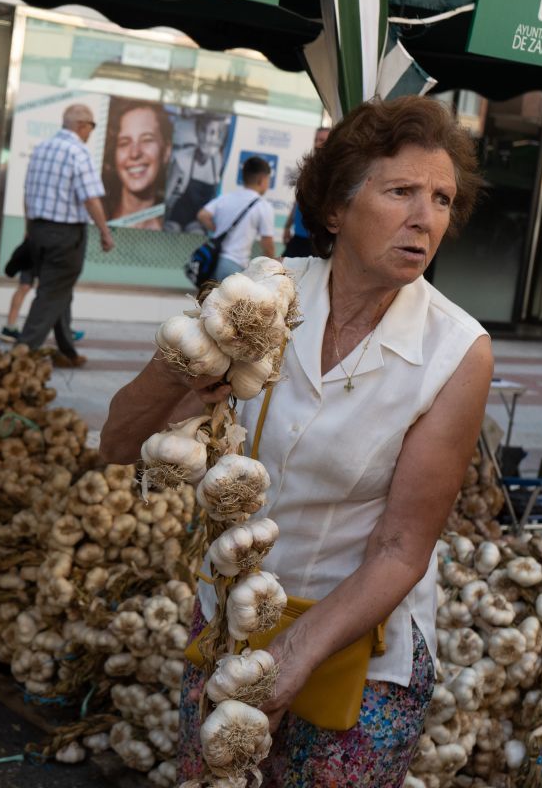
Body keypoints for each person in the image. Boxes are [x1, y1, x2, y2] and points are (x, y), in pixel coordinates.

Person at [99, 96, 491, 785]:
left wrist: (294, 655)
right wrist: (180, 364)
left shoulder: (456, 351)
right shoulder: (262, 300)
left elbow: (402, 549)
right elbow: (119, 442)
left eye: (441, 199)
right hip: (233, 621)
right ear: (336, 209)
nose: (425, 217)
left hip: (365, 651)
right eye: (400, 191)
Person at [18, 103, 114, 369]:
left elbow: (27, 192)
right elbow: (91, 200)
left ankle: (67, 350)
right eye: (92, 126)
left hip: (38, 230)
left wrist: (29, 228)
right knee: (51, 293)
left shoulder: (42, 149)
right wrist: (105, 232)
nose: (91, 132)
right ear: (82, 125)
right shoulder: (78, 152)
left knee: (59, 288)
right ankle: (19, 355)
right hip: (65, 235)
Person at [197, 155, 276, 281]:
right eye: (268, 180)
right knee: (234, 301)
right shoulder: (263, 206)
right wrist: (273, 269)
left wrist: (218, 230)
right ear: (262, 179)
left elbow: (202, 215)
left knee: (212, 300)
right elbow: (267, 244)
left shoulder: (226, 198)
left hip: (214, 261)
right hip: (234, 265)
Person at [101, 100, 172, 230]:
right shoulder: (95, 216)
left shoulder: (173, 228)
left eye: (147, 140)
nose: (134, 153)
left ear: (166, 151)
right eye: (124, 143)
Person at [165, 113, 227, 233]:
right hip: (179, 213)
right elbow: (167, 193)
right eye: (203, 131)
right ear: (197, 132)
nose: (208, 138)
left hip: (199, 218)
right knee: (172, 230)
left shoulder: (218, 161)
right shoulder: (183, 158)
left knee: (196, 232)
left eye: (213, 132)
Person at [282, 127, 331, 259]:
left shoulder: (332, 170)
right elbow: (298, 199)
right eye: (316, 139)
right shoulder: (310, 166)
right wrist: (287, 225)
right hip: (298, 236)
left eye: (322, 140)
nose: (317, 143)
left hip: (316, 239)